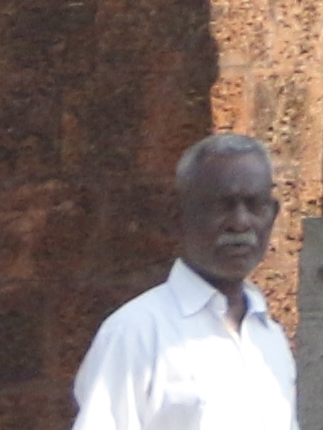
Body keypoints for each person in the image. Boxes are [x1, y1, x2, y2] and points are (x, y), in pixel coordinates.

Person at [74, 133, 292, 427]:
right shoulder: (136, 333)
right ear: (179, 216)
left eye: (254, 206)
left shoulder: (269, 338)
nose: (241, 222)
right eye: (222, 206)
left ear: (273, 214)